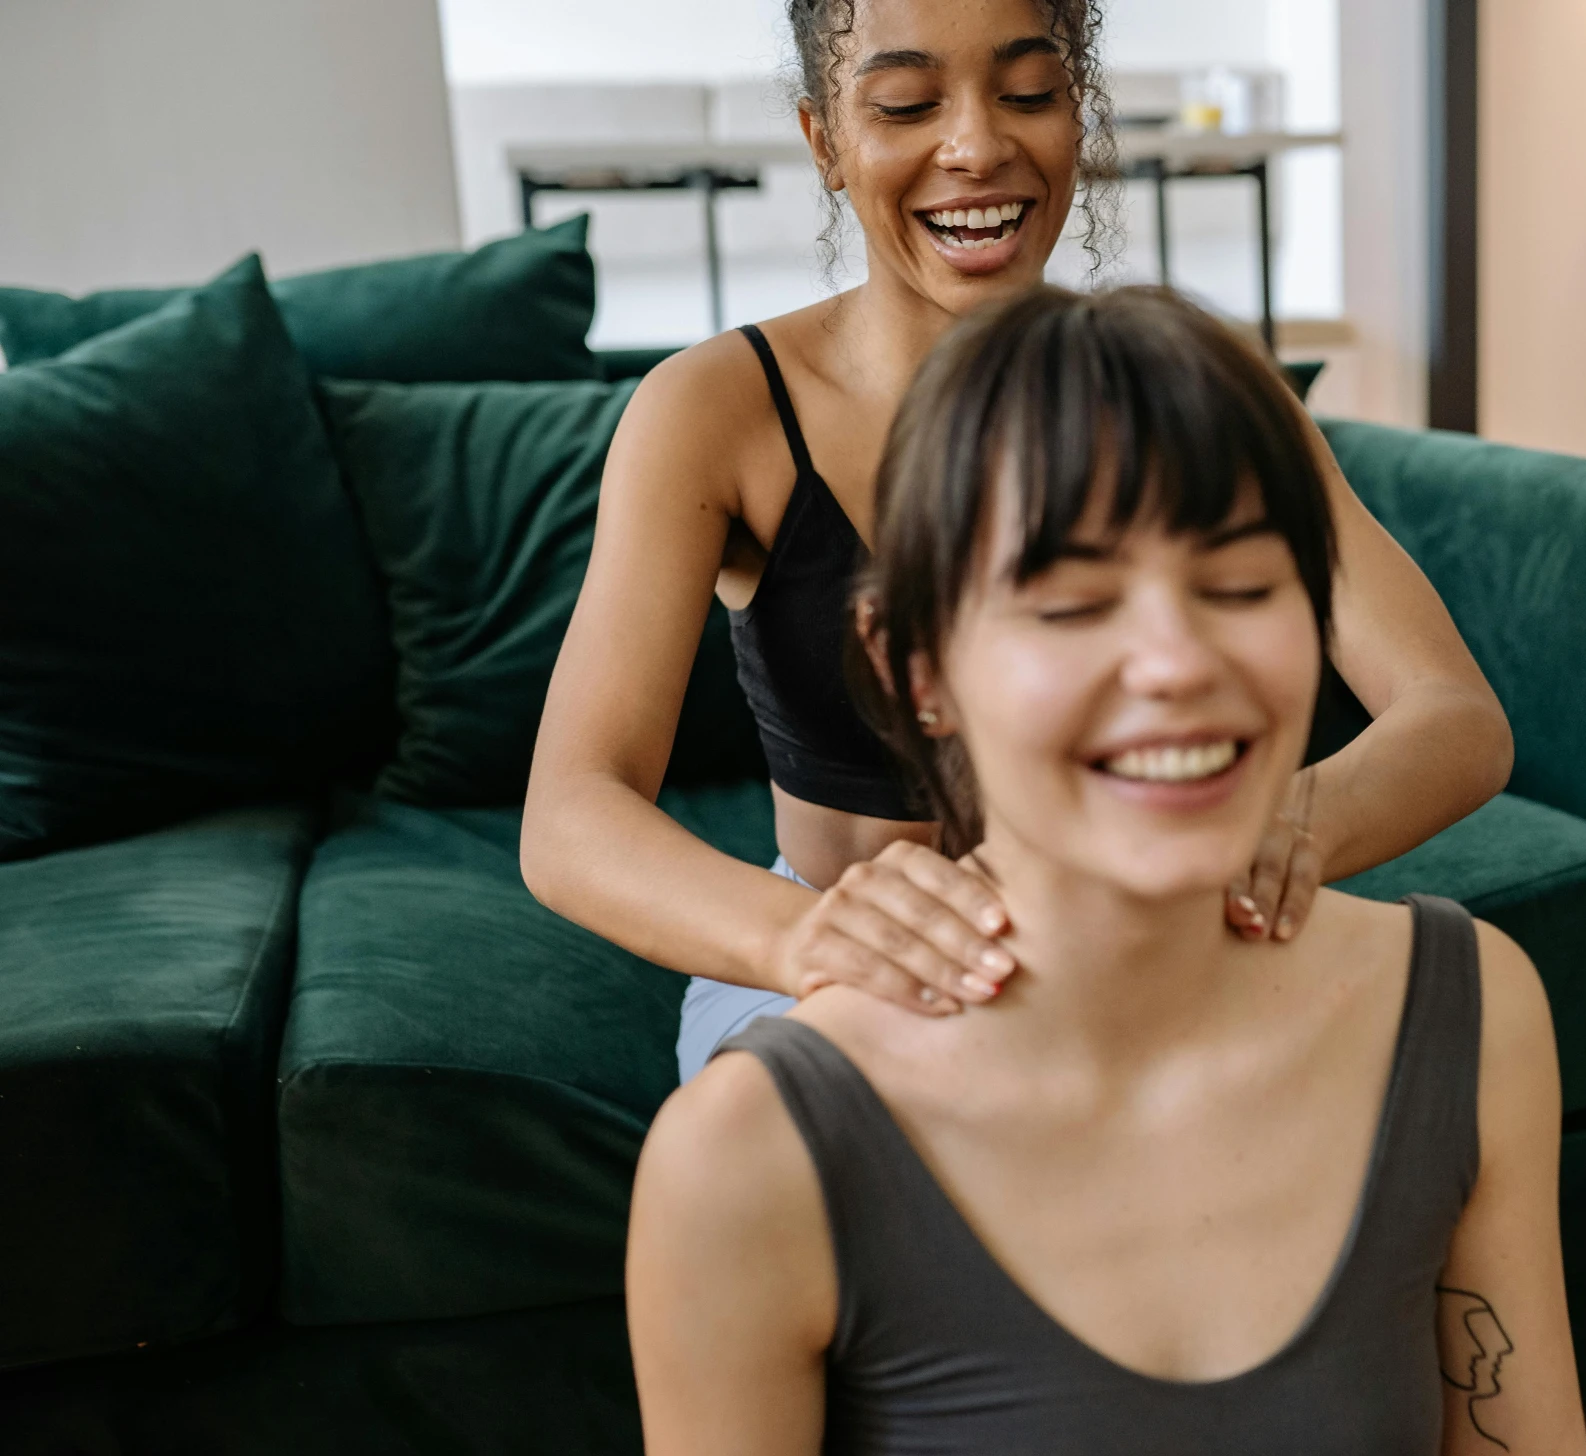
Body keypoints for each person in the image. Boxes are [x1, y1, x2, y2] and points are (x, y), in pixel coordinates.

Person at [626, 285, 1586, 1456]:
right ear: (917, 667)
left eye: (1241, 582)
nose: (1179, 661)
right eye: (1073, 603)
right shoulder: (748, 1157)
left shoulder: (1464, 1010)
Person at [519, 0, 1512, 1082]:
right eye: (906, 104)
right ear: (826, 143)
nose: (977, 146)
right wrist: (806, 938)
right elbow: (574, 814)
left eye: (1028, 94)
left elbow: (1454, 717)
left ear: (1076, 119)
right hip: (845, 980)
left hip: (1145, 938)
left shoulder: (1191, 393)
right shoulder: (716, 411)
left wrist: (1286, 825)